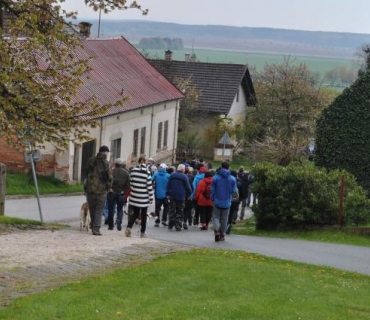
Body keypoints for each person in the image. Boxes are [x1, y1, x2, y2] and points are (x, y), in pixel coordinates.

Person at [84, 145, 113, 236]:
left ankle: (93, 225)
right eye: (107, 152)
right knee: (99, 209)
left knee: (92, 208)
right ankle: (96, 229)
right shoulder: (106, 163)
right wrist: (109, 187)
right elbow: (109, 177)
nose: (108, 154)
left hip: (90, 189)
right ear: (105, 152)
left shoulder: (90, 161)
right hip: (101, 190)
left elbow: (86, 174)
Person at [125, 156, 154, 238]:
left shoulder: (133, 171)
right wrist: (151, 197)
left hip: (134, 197)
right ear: (145, 162)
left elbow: (130, 184)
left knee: (135, 213)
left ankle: (129, 227)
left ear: (138, 162)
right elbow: (149, 186)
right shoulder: (147, 173)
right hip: (143, 198)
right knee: (144, 215)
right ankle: (142, 232)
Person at [211, 161, 237, 242]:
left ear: (221, 166)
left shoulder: (215, 177)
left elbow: (212, 189)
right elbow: (234, 191)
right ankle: (222, 234)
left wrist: (213, 198)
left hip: (217, 200)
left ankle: (216, 230)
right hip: (227, 201)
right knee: (224, 219)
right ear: (229, 167)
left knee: (215, 216)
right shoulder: (232, 179)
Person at [166, 163, 192, 231]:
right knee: (180, 211)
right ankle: (178, 226)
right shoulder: (184, 176)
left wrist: (168, 193)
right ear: (182, 169)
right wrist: (190, 194)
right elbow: (188, 187)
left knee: (172, 210)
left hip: (173, 195)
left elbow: (168, 185)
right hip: (181, 196)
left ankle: (170, 224)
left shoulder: (172, 175)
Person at [106, 158, 130, 231]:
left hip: (111, 192)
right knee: (120, 209)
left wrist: (109, 188)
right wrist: (124, 191)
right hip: (121, 193)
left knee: (111, 209)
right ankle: (119, 220)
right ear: (122, 164)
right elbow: (128, 185)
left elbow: (106, 181)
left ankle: (110, 225)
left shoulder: (111, 172)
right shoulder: (126, 173)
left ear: (115, 164)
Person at [151, 163, 170, 227]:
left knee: (157, 208)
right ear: (165, 168)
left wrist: (153, 185)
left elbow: (151, 180)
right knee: (166, 207)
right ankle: (164, 220)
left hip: (157, 194)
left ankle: (157, 221)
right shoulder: (168, 175)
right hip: (165, 195)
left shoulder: (156, 174)